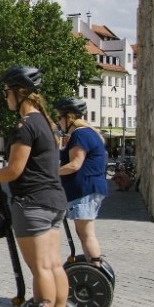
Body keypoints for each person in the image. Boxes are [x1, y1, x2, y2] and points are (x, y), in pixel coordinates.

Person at [0, 67, 70, 307]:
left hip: (32, 204)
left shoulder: (24, 126)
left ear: (19, 92)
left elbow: (14, 170)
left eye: (6, 92)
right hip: (54, 202)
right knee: (53, 266)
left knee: (41, 270)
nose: (5, 98)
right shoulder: (48, 125)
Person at [55, 97, 108, 265]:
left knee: (86, 234)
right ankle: (92, 265)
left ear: (68, 117)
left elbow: (74, 165)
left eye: (59, 117)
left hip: (85, 190)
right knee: (83, 233)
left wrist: (51, 173)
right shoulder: (88, 133)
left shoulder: (80, 135)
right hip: (88, 189)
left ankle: (95, 266)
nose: (58, 121)